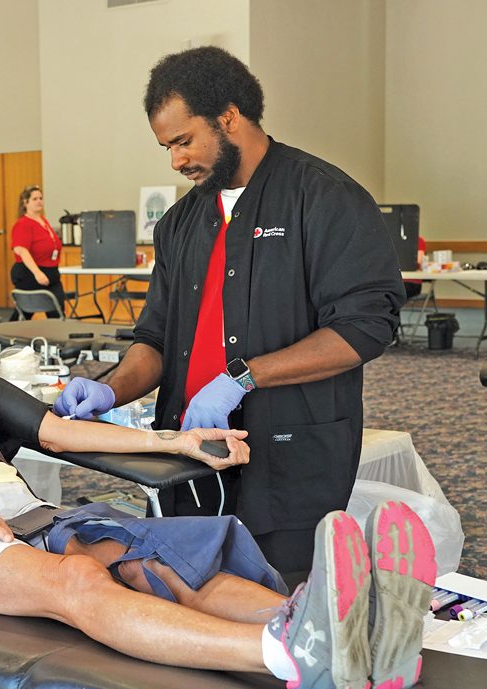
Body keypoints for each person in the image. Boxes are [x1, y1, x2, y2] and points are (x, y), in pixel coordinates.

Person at [0, 212, 435, 689]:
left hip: (14, 516)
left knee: (161, 565)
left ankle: (346, 629)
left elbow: (58, 433)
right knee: (79, 584)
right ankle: (291, 655)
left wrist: (174, 442)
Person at [55, 47, 406, 576]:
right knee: (190, 589)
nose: (175, 160)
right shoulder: (180, 223)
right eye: (166, 147)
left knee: (282, 600)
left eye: (183, 141)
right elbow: (155, 339)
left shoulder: (324, 197)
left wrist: (241, 378)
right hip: (190, 455)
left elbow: (365, 327)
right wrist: (111, 388)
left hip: (289, 453)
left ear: (229, 117)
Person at [9, 185, 66, 319]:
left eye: (41, 198)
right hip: (31, 273)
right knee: (25, 313)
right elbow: (22, 251)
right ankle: (9, 336)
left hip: (51, 272)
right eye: (35, 199)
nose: (39, 201)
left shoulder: (43, 221)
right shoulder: (23, 224)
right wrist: (37, 273)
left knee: (57, 311)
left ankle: (56, 338)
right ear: (25, 202)